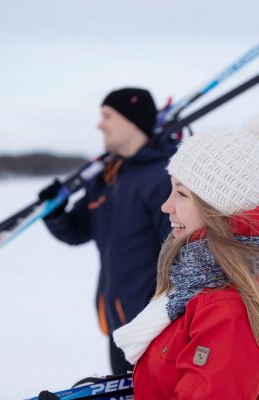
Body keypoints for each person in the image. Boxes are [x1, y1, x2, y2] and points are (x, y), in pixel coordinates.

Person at [113, 113, 259, 399]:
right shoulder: (201, 280)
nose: (166, 206)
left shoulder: (228, 306)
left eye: (181, 194)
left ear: (219, 208)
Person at [39, 88, 177, 374]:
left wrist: (164, 317)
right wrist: (55, 213)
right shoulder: (108, 176)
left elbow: (180, 253)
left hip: (154, 328)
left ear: (131, 121)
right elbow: (78, 231)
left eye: (107, 116)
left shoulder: (164, 175)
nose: (99, 125)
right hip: (118, 321)